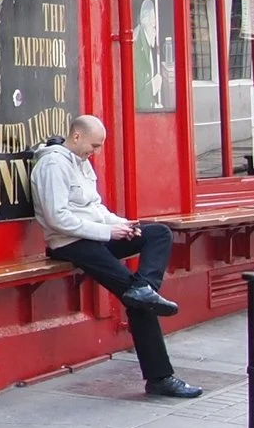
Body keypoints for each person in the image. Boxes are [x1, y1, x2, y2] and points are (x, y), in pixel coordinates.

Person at [31, 115, 204, 400]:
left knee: (157, 233)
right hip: (70, 243)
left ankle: (145, 288)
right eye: (94, 145)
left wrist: (121, 225)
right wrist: (107, 232)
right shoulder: (53, 165)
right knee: (139, 303)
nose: (95, 152)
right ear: (76, 136)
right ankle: (160, 377)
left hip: (97, 236)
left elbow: (96, 207)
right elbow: (57, 218)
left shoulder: (82, 164)